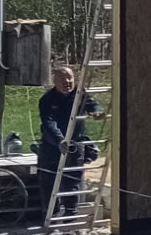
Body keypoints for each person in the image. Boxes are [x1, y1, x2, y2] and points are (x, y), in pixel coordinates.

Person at [37, 64, 104, 216]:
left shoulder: (80, 94)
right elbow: (49, 122)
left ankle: (71, 214)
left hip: (75, 143)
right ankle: (51, 214)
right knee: (49, 180)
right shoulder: (47, 100)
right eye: (62, 78)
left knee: (73, 179)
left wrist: (97, 112)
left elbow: (93, 105)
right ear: (54, 81)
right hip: (52, 144)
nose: (67, 81)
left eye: (70, 77)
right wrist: (60, 139)